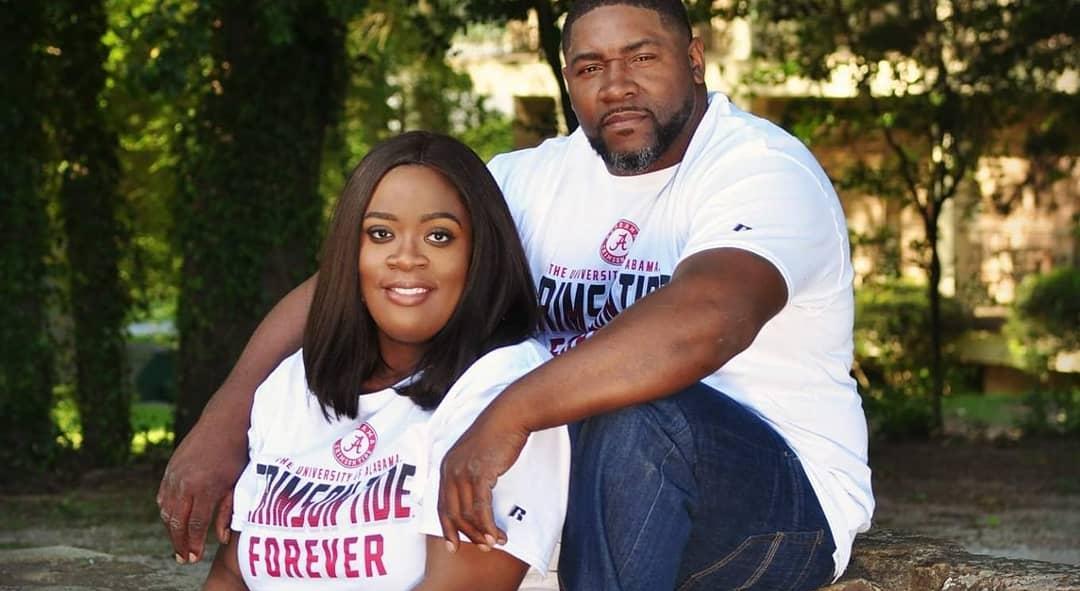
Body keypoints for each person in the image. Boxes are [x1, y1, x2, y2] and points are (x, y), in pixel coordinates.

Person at [160, 1, 874, 589]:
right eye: (590, 67)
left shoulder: (760, 170)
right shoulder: (528, 181)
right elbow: (354, 281)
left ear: (693, 59)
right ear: (567, 80)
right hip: (573, 494)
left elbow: (708, 320)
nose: (616, 86)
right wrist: (226, 419)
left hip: (772, 511)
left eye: (641, 58)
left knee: (631, 410)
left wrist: (511, 413)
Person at [200, 131, 570, 590]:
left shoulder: (501, 389)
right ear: (349, 254)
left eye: (439, 236)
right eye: (381, 234)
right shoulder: (294, 383)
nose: (406, 258)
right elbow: (231, 574)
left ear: (480, 255)